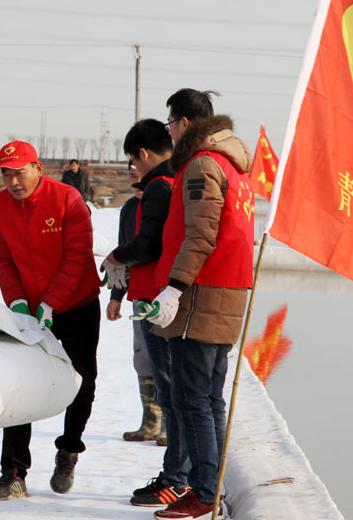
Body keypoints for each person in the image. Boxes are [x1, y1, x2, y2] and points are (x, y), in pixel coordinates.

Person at [137, 89, 254, 520]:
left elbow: (200, 236)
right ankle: (211, 486)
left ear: (184, 123)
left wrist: (173, 287)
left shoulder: (202, 165)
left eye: (170, 123)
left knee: (192, 400)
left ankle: (204, 492)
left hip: (201, 293)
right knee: (209, 398)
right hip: (225, 289)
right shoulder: (232, 165)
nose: (169, 131)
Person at [0, 140, 101, 500]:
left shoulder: (67, 199)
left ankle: (68, 449)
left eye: (19, 173)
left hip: (77, 304)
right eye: (6, 175)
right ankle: (13, 472)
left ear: (37, 168)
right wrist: (18, 303)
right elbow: (4, 259)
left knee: (81, 380)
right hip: (30, 310)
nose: (13, 182)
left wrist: (51, 303)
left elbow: (78, 256)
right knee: (21, 384)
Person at [103, 119, 191, 508]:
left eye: (133, 162)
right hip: (162, 295)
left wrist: (115, 257)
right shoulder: (178, 180)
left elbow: (147, 245)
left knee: (174, 393)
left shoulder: (159, 186)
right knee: (175, 390)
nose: (133, 170)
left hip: (158, 298)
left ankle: (178, 479)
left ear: (142, 154)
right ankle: (182, 475)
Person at [103, 159, 165, 446]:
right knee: (143, 357)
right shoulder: (129, 209)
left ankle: (168, 425)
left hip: (164, 293)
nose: (136, 179)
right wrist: (116, 296)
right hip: (139, 293)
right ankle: (150, 422)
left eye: (139, 172)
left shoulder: (164, 201)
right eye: (131, 174)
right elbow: (123, 253)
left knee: (166, 360)